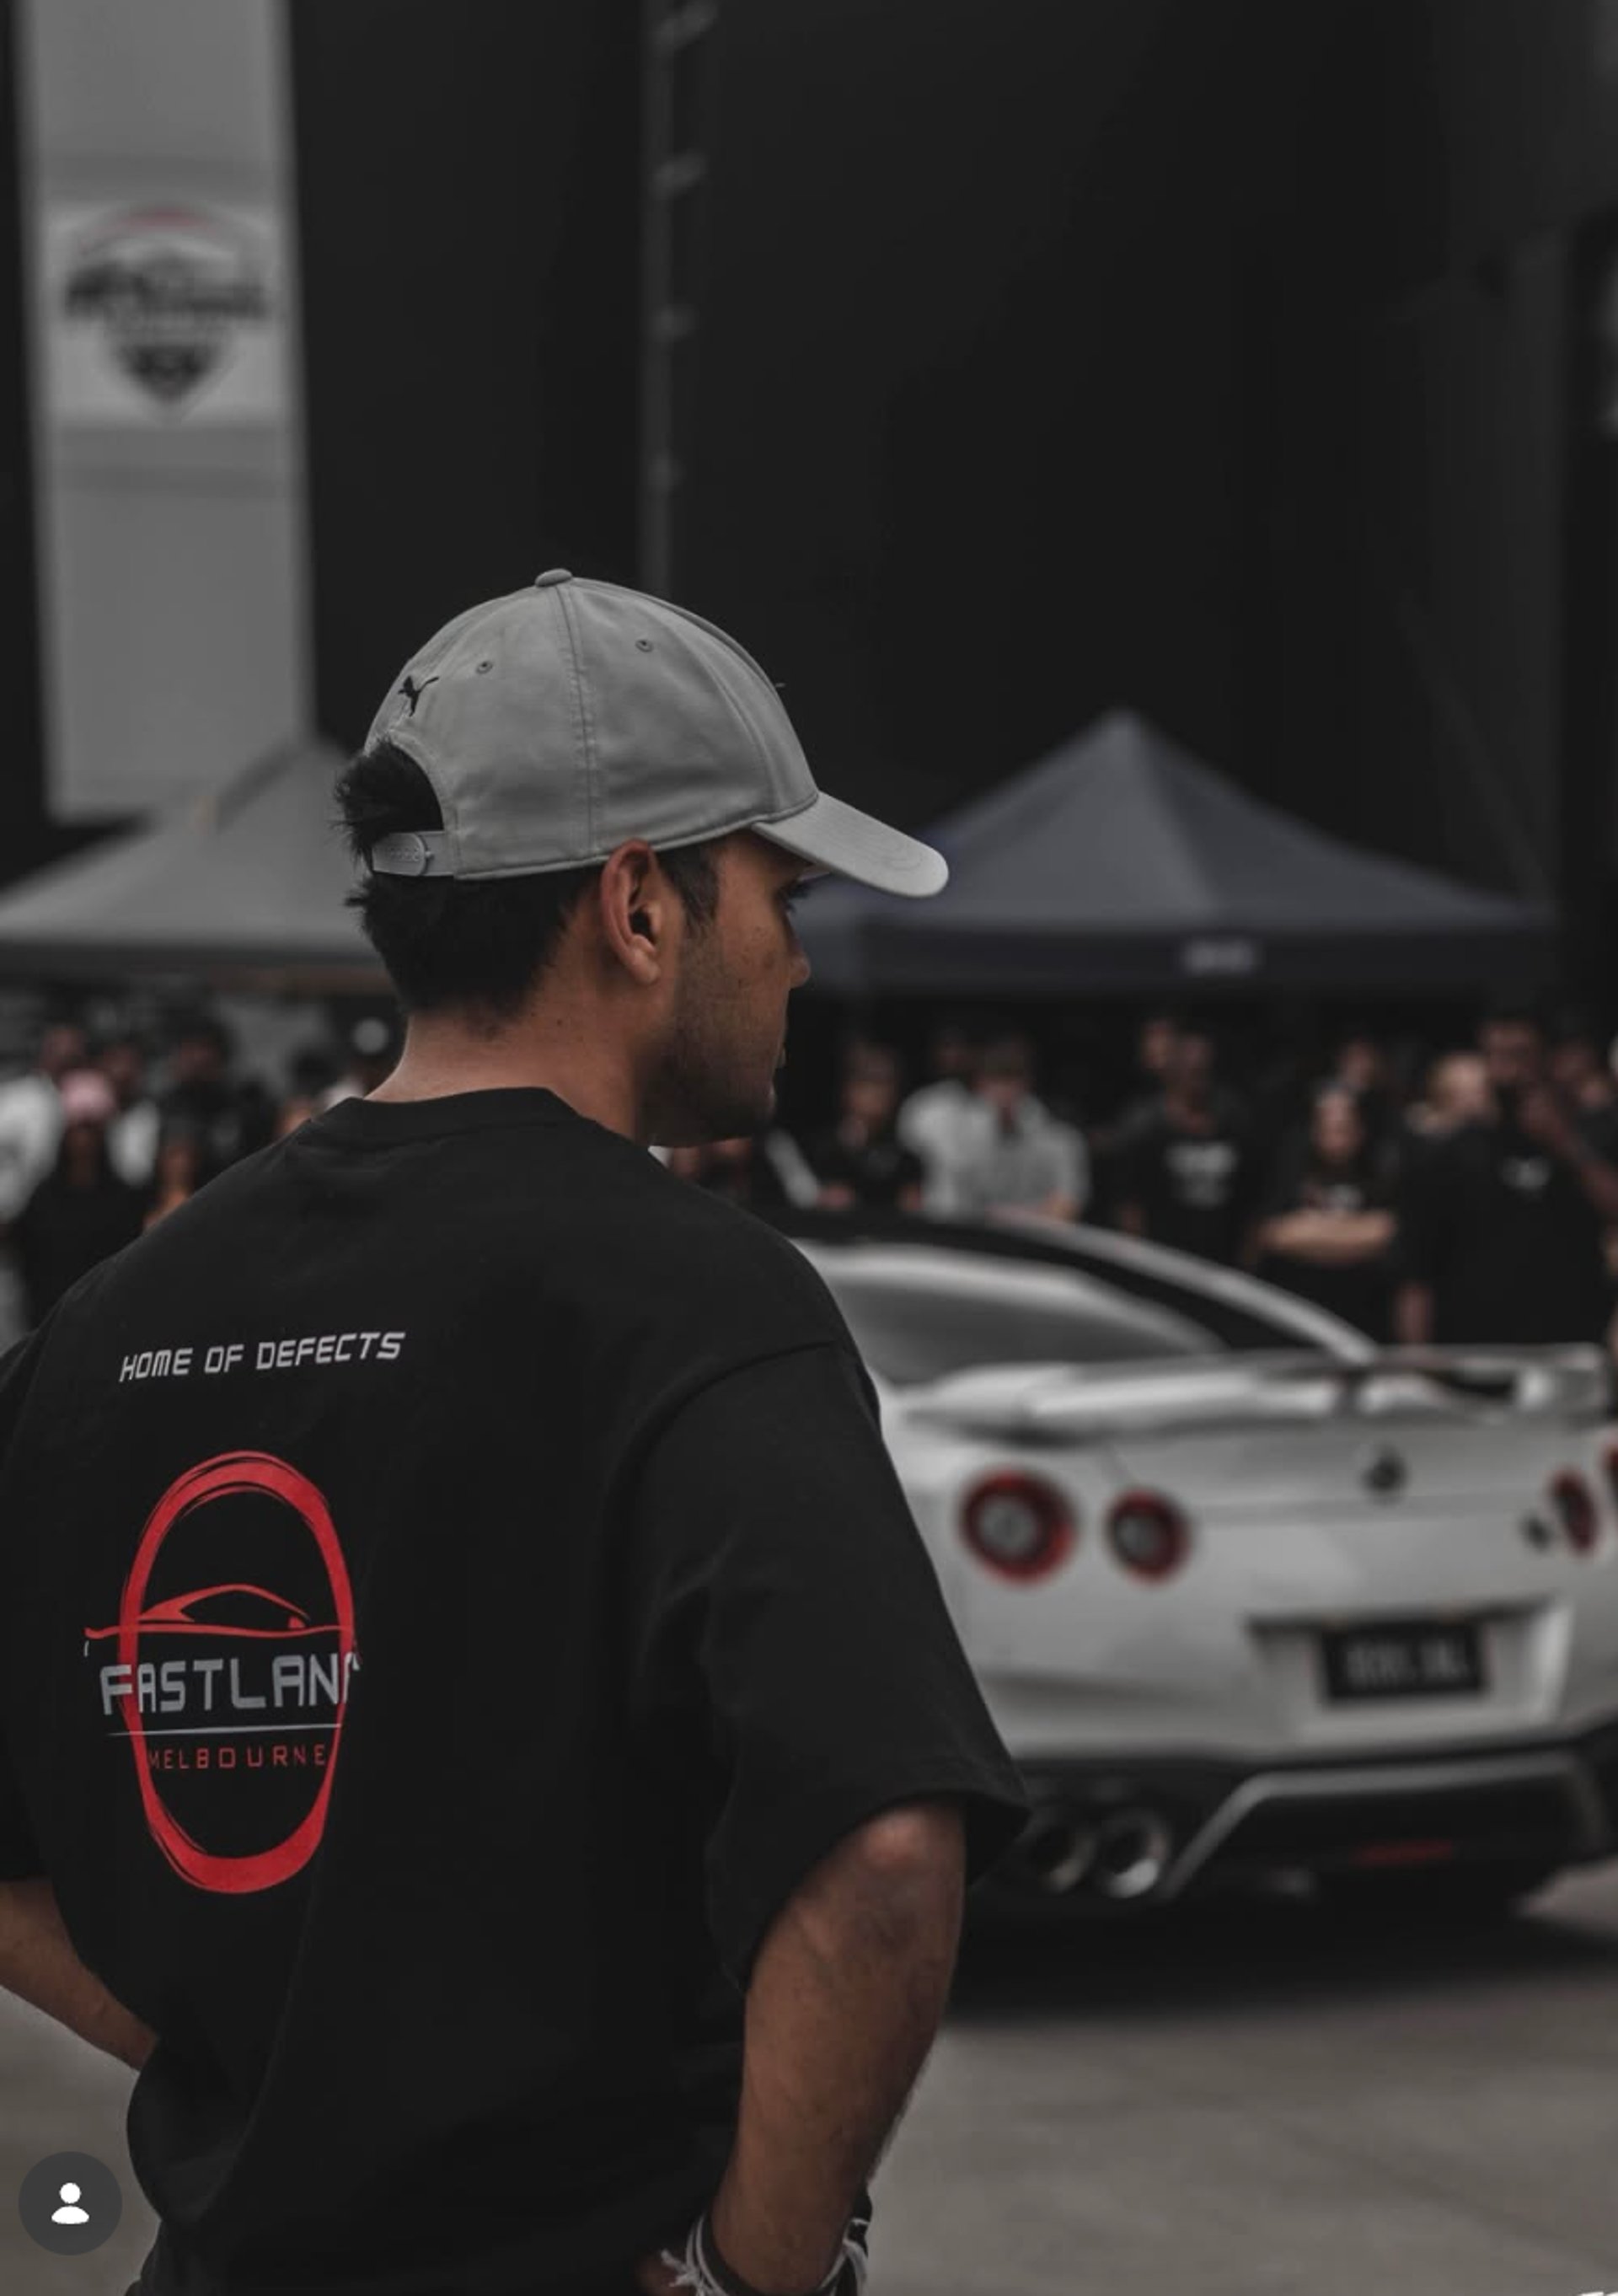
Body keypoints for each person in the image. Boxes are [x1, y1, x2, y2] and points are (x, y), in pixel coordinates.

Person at [0, 571, 1028, 2296]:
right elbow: (882, 1852)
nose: (796, 956)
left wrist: (289, 2078)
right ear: (640, 906)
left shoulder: (106, 1323)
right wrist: (743, 2279)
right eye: (777, 889)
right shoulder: (697, 1301)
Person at [1396, 1006, 1618, 1345]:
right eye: (1495, 1056)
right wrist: (1416, 1361)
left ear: (1548, 1059)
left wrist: (1566, 1146)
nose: (1507, 1072)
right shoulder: (1449, 1153)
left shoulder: (1594, 1137)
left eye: (1520, 1055)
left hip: (1572, 1351)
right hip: (1476, 1355)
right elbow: (1417, 1270)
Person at [1252, 1086, 1396, 1337]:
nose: (1336, 1139)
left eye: (1344, 1129)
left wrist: (1312, 1230)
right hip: (1301, 1312)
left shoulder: (1378, 1171)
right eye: (1327, 1129)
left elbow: (1387, 1233)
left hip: (1364, 1314)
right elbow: (1275, 1235)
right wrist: (1354, 1232)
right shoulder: (1291, 1170)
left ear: (1360, 1131)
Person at [9, 1069, 143, 1328]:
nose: (84, 1140)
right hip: (49, 1319)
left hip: (104, 1319)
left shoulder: (124, 1198)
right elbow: (28, 1258)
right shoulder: (43, 1197)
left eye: (91, 1129)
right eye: (78, 1129)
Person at [1112, 1027, 1258, 1264]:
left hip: (1223, 1259)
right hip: (1163, 1259)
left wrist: (1248, 1261)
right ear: (1172, 1070)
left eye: (1203, 1070)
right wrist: (1137, 1259)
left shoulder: (1234, 1119)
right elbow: (1129, 1203)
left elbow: (1252, 1200)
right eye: (1190, 1069)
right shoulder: (1146, 1124)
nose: (1196, 1076)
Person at [943, 1034, 1088, 1221]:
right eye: (995, 1081)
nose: (1003, 1092)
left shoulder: (1062, 1140)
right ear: (980, 1085)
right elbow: (956, 1208)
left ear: (1027, 1083)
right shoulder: (961, 1142)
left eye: (1011, 1080)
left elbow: (1066, 1206)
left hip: (1041, 1242)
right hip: (980, 1242)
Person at [801, 1043, 925, 1213]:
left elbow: (912, 1209)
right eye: (868, 1083)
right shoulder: (824, 1148)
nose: (877, 1095)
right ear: (848, 1091)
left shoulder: (907, 1158)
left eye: (885, 1084)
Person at [0, 1017, 86, 1226]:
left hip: (59, 1216)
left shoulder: (87, 1097)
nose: (69, 1056)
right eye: (60, 1049)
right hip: (12, 1216)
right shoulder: (16, 1098)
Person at [895, 1014, 981, 1210]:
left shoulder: (987, 1108)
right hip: (933, 1216)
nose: (954, 1055)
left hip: (984, 1216)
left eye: (960, 1047)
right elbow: (909, 1170)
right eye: (947, 1047)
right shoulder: (920, 1106)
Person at [98, 1033, 162, 1191]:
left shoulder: (154, 1116)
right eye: (117, 1062)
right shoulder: (88, 1114)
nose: (124, 1071)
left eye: (132, 1063)